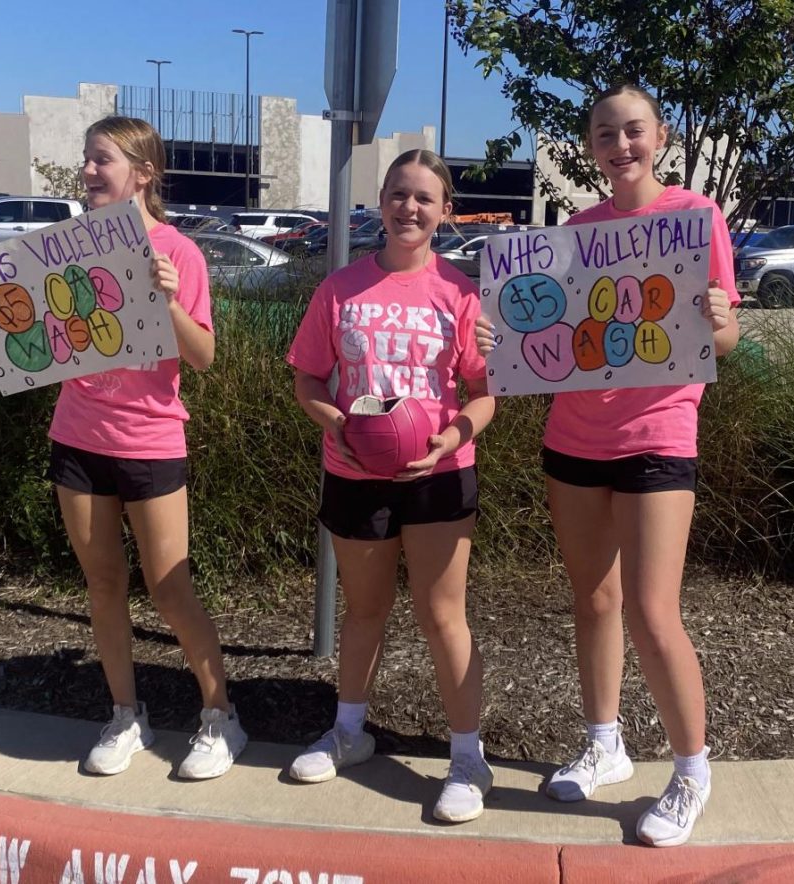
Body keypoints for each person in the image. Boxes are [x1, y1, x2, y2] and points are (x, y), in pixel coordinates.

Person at [478, 84, 740, 847]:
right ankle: (605, 742)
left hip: (658, 433)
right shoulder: (577, 232)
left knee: (653, 612)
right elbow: (546, 339)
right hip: (574, 439)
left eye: (632, 131)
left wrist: (721, 323)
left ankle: (691, 770)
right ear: (588, 147)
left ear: (659, 136)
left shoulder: (694, 220)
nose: (619, 146)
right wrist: (502, 342)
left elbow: (718, 341)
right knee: (593, 601)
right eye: (604, 134)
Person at [0, 115, 246, 780]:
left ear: (142, 174)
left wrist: (170, 302)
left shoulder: (180, 252)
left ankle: (220, 716)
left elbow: (202, 356)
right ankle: (125, 715)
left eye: (101, 160)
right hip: (77, 438)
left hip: (150, 440)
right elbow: (37, 341)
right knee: (104, 585)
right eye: (86, 160)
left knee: (172, 592)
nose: (88, 171)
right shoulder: (64, 248)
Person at [285, 149, 497, 823]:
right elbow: (308, 379)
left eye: (425, 199)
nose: (410, 208)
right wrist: (338, 424)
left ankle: (468, 758)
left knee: (443, 616)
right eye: (398, 195)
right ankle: (350, 732)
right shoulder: (339, 288)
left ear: (445, 212)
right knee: (365, 612)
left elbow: (484, 393)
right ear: (380, 203)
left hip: (438, 474)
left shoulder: (461, 294)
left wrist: (453, 436)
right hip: (356, 473)